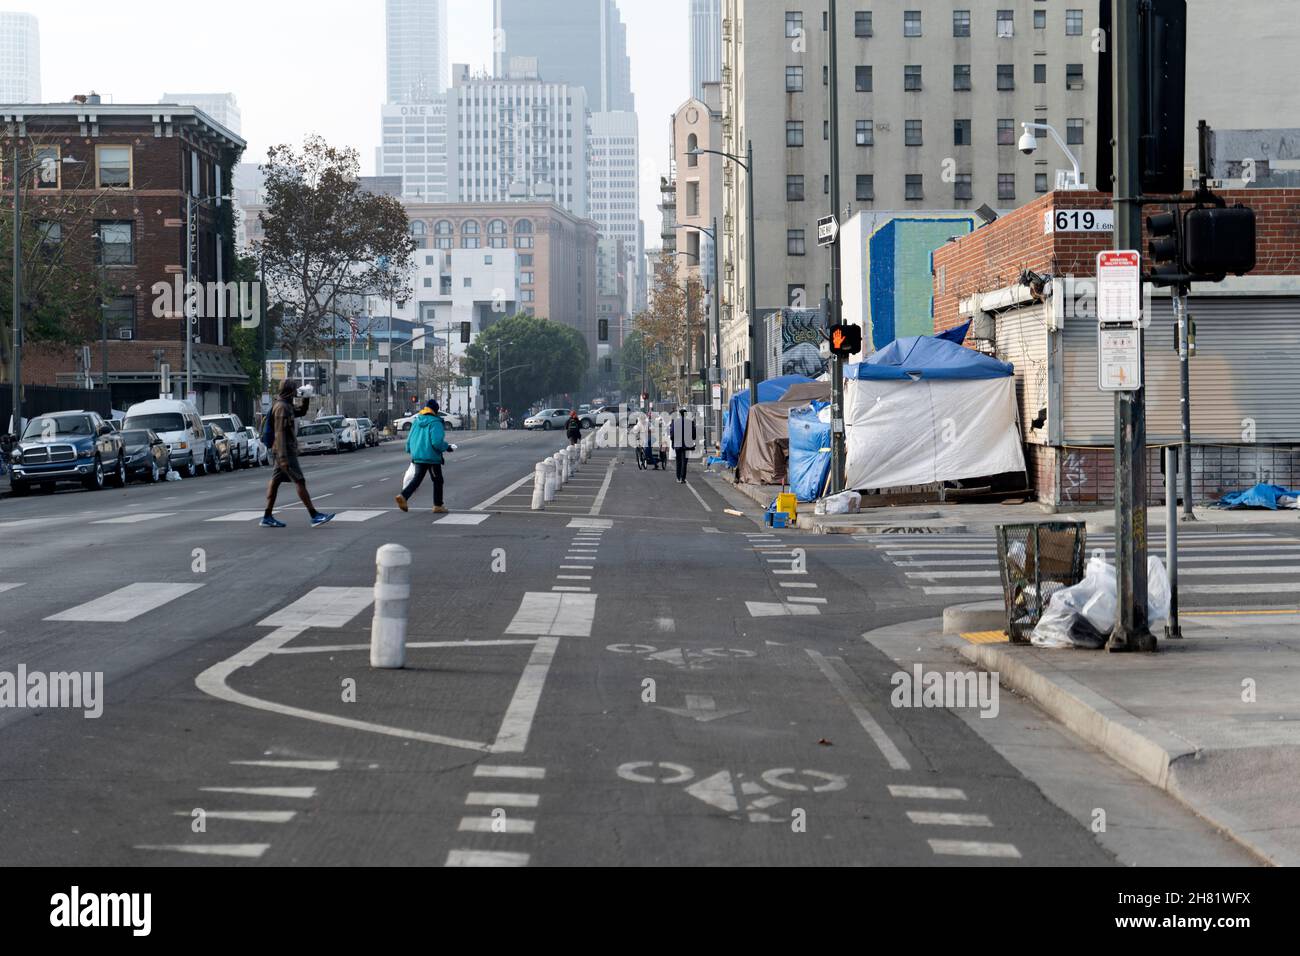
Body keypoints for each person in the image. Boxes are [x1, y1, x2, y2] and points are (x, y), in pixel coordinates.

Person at [261, 379, 335, 528]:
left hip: (282, 450)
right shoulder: (281, 407)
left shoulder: (285, 405)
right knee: (299, 481)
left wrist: (306, 397)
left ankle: (267, 516)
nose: (296, 392)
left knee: (275, 483)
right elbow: (280, 433)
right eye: (294, 389)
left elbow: (301, 411)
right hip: (284, 451)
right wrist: (282, 457)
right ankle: (314, 515)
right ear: (289, 390)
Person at [396, 398, 456, 514]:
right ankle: (438, 505)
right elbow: (437, 442)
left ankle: (403, 496)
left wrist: (410, 450)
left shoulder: (417, 420)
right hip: (431, 457)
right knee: (438, 480)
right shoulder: (435, 422)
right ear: (435, 411)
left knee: (417, 478)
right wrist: (447, 447)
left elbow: (409, 439)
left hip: (418, 455)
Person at [670, 406, 697, 483]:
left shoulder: (675, 422)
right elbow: (694, 434)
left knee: (678, 461)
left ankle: (678, 477)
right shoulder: (690, 422)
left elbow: (672, 434)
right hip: (687, 445)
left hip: (677, 444)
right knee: (684, 462)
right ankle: (683, 478)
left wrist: (673, 440)